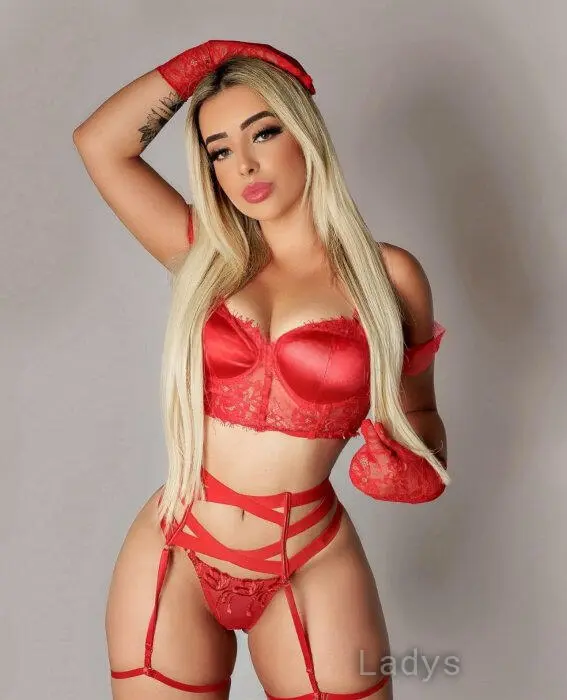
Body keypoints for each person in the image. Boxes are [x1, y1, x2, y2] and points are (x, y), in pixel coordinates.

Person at [73, 39, 451, 700]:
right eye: (218, 150)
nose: (242, 163)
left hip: (310, 555)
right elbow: (100, 145)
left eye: (263, 133)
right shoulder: (206, 254)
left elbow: (419, 411)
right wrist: (205, 60)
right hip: (177, 547)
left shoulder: (389, 277)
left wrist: (415, 461)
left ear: (303, 134)